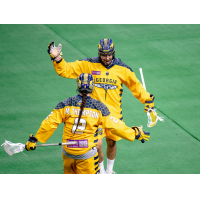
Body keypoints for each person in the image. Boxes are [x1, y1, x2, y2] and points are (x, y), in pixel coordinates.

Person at [47, 39, 155, 174]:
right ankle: (101, 171)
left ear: (113, 53)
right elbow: (66, 70)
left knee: (112, 142)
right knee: (97, 145)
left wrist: (147, 99)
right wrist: (57, 58)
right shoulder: (89, 64)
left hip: (114, 114)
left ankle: (109, 171)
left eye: (109, 54)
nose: (107, 58)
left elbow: (136, 87)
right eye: (103, 55)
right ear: (99, 53)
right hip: (94, 114)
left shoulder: (123, 69)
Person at [25, 73, 150, 174]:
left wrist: (35, 139)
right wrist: (135, 133)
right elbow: (115, 126)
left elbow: (49, 122)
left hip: (68, 152)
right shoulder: (98, 107)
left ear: (78, 86)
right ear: (92, 87)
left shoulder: (65, 103)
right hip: (86, 155)